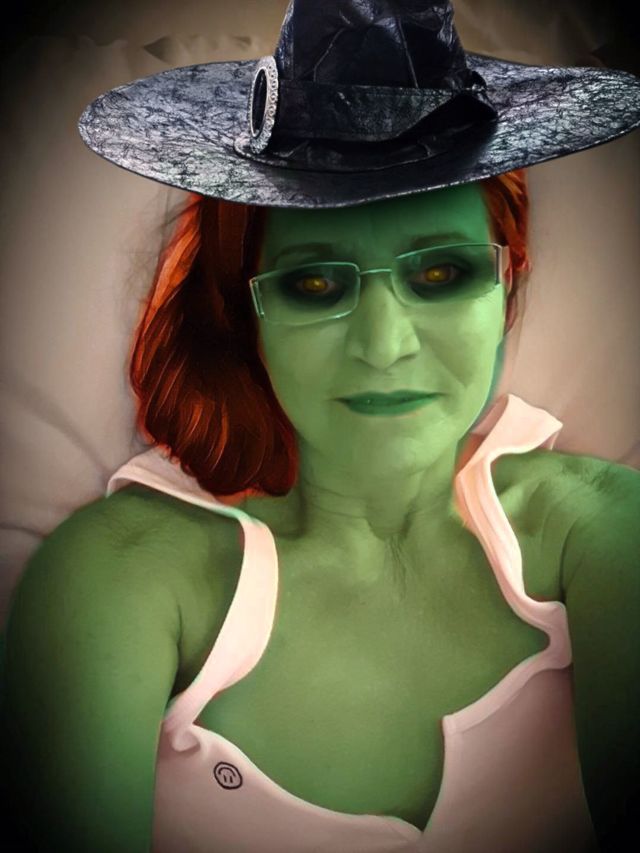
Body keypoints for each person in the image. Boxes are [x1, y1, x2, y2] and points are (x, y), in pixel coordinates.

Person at [2, 2, 639, 851]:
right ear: (246, 316)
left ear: (508, 289)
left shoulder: (606, 533)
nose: (385, 345)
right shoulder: (119, 580)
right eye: (314, 285)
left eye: (441, 273)